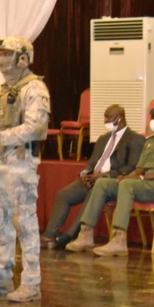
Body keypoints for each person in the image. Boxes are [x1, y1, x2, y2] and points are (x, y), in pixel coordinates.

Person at [0, 35, 50, 303]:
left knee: (25, 223)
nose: (1, 60)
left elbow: (36, 127)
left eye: (7, 55)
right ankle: (1, 277)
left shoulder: (35, 89)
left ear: (23, 58)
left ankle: (31, 282)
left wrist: (1, 139)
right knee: (1, 222)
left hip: (20, 162)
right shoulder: (1, 91)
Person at [66, 106, 154, 256]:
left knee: (128, 184)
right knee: (103, 183)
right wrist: (128, 176)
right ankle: (86, 233)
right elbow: (139, 169)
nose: (152, 123)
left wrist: (137, 179)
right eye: (152, 119)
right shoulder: (150, 141)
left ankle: (119, 239)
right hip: (145, 184)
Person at [41, 105, 145, 248]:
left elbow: (132, 167)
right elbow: (91, 163)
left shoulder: (135, 139)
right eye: (105, 117)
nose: (105, 121)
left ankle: (68, 237)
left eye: (108, 117)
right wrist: (86, 173)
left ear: (120, 118)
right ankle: (49, 235)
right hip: (92, 178)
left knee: (93, 193)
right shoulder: (103, 139)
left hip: (111, 182)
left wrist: (104, 175)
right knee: (63, 195)